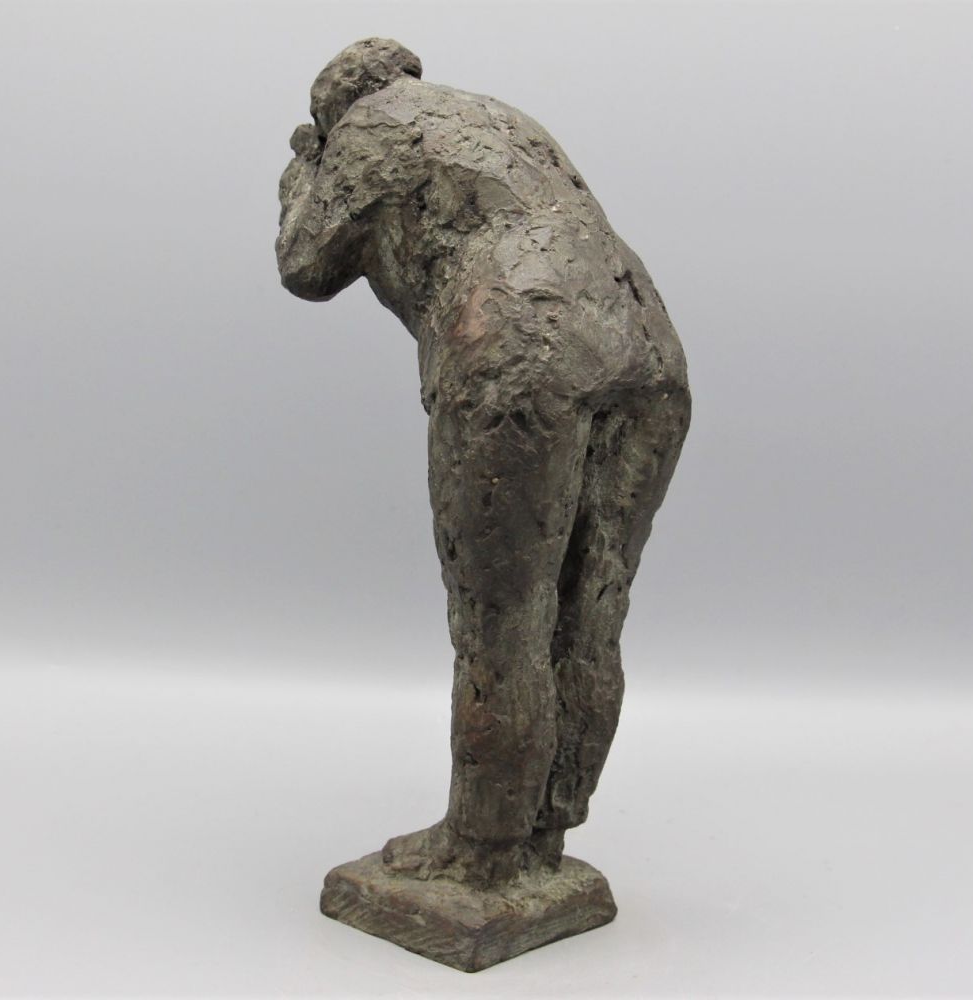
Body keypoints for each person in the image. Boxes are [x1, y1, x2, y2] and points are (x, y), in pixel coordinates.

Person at [277, 38, 691, 888]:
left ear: (331, 107)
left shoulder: (366, 129)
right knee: (592, 601)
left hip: (519, 334)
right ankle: (543, 831)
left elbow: (305, 265)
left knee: (502, 616)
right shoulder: (496, 119)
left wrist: (300, 177)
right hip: (643, 335)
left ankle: (484, 848)